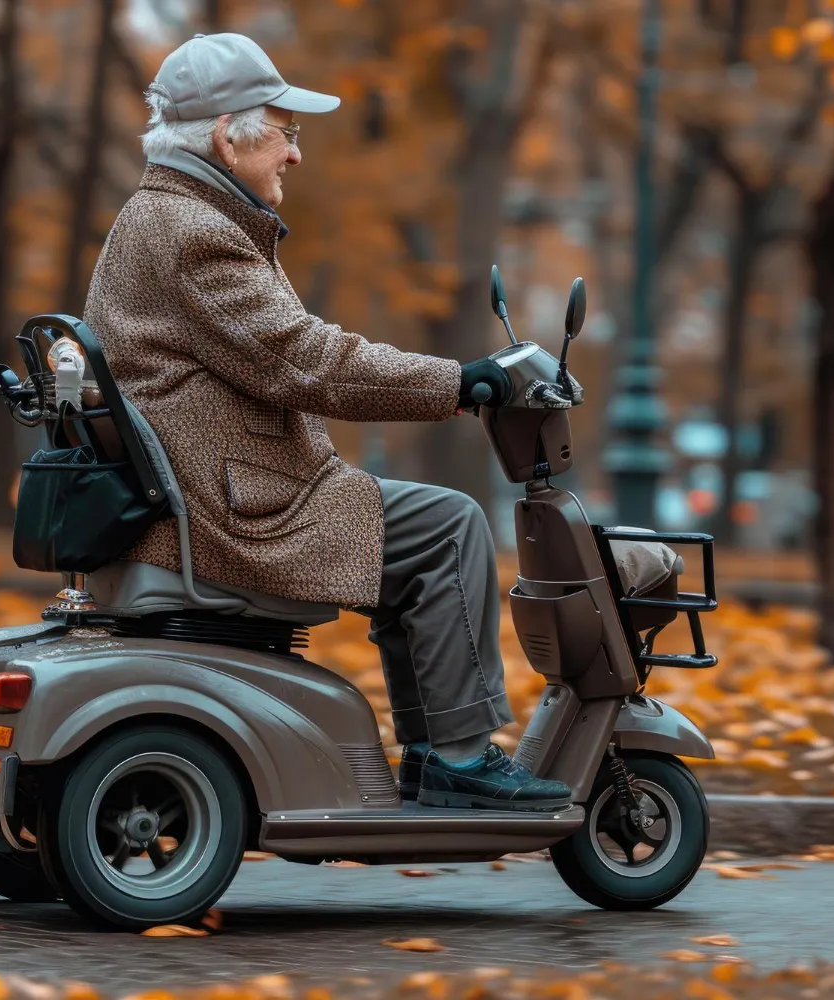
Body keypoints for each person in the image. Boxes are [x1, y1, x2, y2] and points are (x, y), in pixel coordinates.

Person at [82, 33, 571, 812]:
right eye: (284, 130)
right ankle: (456, 755)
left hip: (218, 493)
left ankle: (439, 750)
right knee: (447, 526)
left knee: (412, 527)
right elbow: (307, 361)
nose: (294, 154)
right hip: (237, 514)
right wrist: (460, 381)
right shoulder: (196, 233)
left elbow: (287, 357)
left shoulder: (168, 216)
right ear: (224, 135)